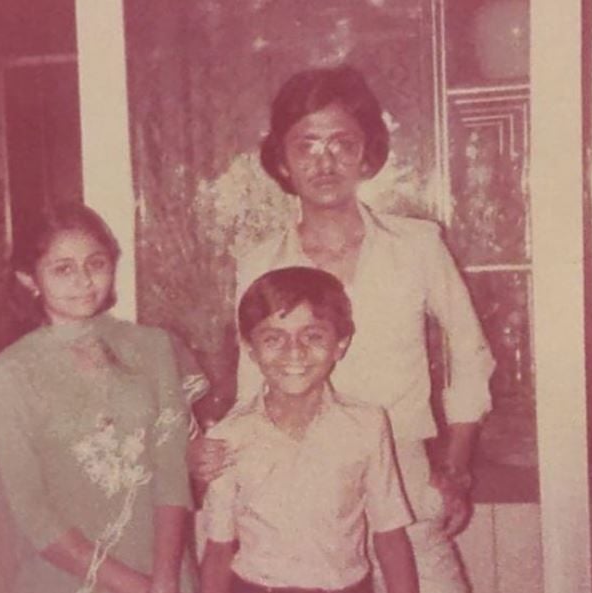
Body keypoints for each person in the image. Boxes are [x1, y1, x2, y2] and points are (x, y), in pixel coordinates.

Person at [190, 65, 495, 593]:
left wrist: (455, 466)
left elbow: (471, 354)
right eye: (306, 146)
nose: (324, 162)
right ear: (282, 161)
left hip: (404, 476)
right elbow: (251, 385)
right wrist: (212, 455)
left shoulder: (416, 246)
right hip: (300, 496)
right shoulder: (260, 262)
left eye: (342, 144)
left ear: (366, 154)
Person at [0, 202, 195, 593]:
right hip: (68, 576)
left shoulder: (153, 348)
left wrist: (165, 579)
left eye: (95, 264)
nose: (83, 281)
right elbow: (30, 508)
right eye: (63, 269)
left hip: (161, 567)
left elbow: (172, 469)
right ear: (29, 278)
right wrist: (134, 586)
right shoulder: (9, 374)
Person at [200, 266, 418, 593]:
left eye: (313, 336)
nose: (294, 352)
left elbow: (390, 536)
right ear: (250, 348)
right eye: (273, 339)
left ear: (340, 344)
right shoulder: (229, 436)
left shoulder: (367, 425)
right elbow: (218, 550)